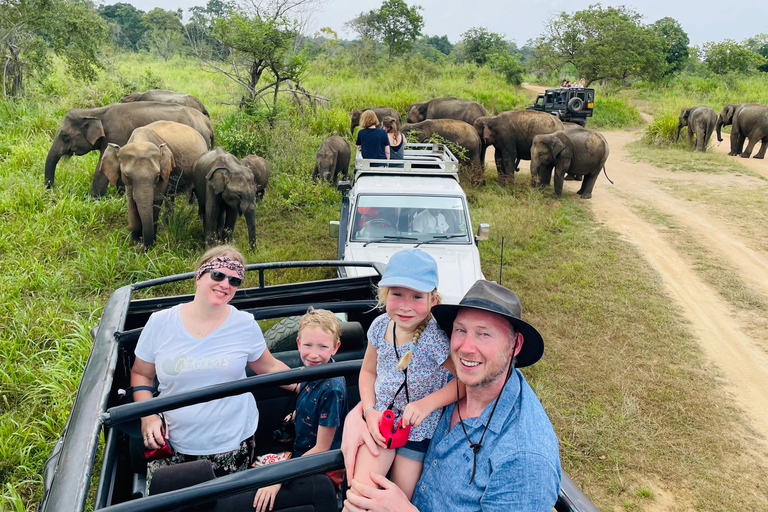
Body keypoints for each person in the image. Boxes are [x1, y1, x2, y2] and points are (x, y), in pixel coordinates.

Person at [342, 280, 562, 512]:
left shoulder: (525, 458)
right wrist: (357, 417)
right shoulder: (450, 377)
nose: (466, 347)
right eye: (460, 330)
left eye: (484, 334)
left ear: (515, 345)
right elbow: (397, 391)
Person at [131, 245, 292, 491]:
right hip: (173, 445)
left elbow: (268, 367)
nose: (225, 284)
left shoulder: (244, 324)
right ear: (199, 275)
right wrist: (148, 415)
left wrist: (307, 383)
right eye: (217, 275)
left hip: (231, 445)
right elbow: (142, 373)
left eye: (235, 280)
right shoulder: (160, 322)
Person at [343, 249, 462, 509]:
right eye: (397, 294)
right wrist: (369, 410)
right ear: (385, 295)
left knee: (397, 497)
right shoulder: (378, 326)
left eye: (417, 296)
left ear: (433, 299)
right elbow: (368, 372)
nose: (406, 305)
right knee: (359, 493)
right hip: (381, 424)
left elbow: (463, 382)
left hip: (417, 432)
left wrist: (426, 404)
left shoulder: (435, 339)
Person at [253, 307, 348, 512]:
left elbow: (322, 448)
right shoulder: (312, 371)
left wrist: (281, 476)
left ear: (335, 348)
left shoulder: (332, 389)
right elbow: (312, 403)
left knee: (267, 495)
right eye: (307, 345)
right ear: (298, 343)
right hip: (302, 452)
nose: (313, 354)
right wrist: (297, 415)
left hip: (323, 467)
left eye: (323, 346)